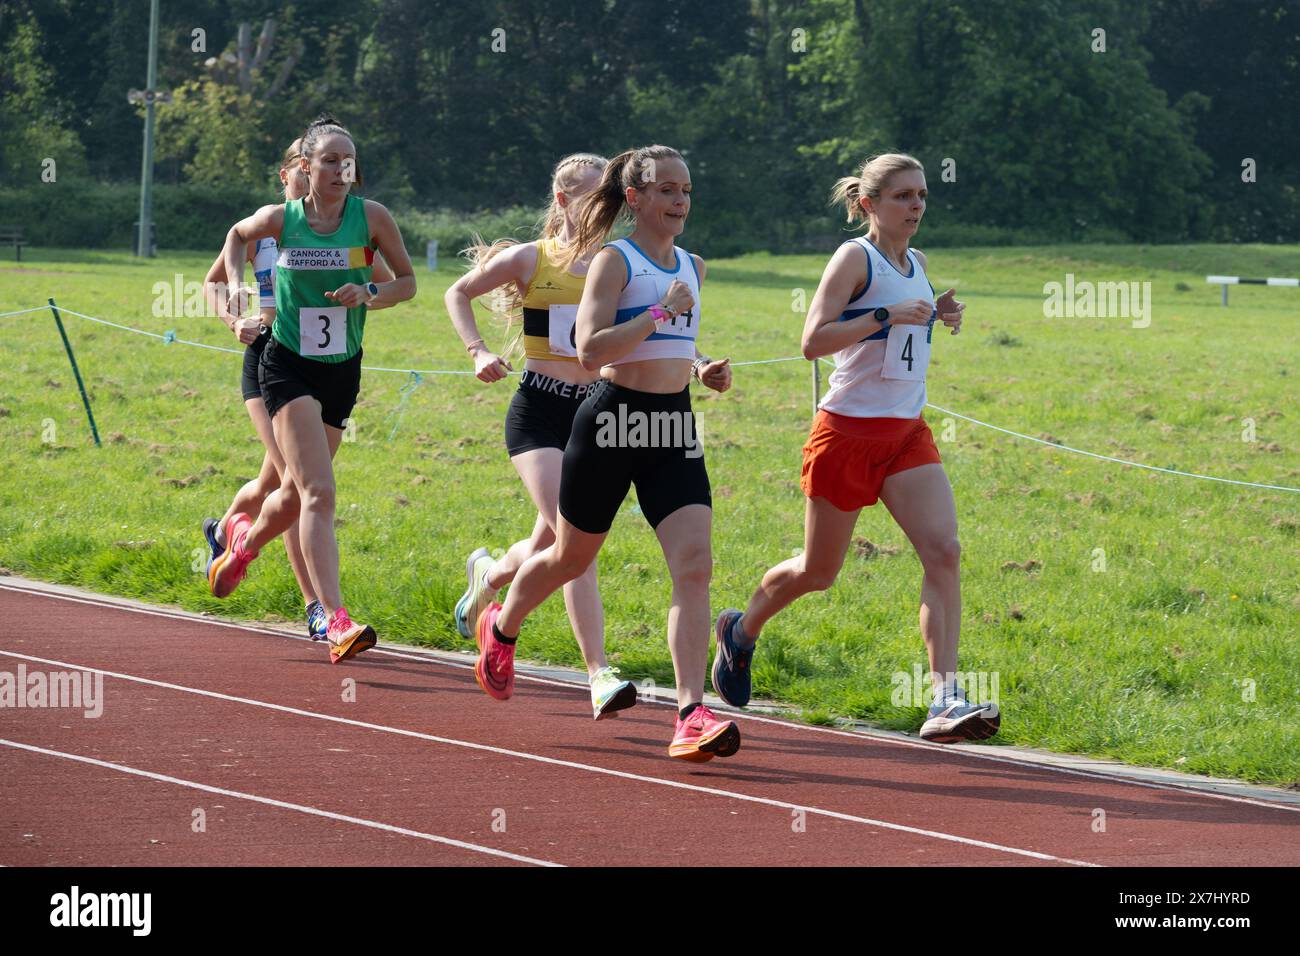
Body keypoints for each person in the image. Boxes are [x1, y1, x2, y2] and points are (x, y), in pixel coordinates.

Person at [710, 153, 996, 743]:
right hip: (846, 433)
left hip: (906, 434)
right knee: (819, 571)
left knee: (944, 551)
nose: (916, 206)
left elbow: (901, 336)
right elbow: (813, 341)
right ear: (869, 204)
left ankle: (944, 695)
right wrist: (885, 314)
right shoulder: (853, 257)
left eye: (921, 195)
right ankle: (740, 632)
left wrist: (938, 313)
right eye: (902, 197)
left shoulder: (916, 261)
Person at [473, 145, 741, 762]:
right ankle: (503, 625)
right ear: (636, 198)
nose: (681, 202)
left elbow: (674, 343)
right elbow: (591, 349)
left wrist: (703, 371)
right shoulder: (614, 262)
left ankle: (690, 712)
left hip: (672, 425)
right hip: (612, 420)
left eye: (687, 191)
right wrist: (657, 310)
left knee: (694, 565)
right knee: (569, 556)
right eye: (668, 191)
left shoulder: (695, 266)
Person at [207, 115, 416, 665]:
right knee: (319, 492)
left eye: (349, 162)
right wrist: (235, 294)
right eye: (329, 160)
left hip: (342, 369)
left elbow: (408, 283)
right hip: (285, 365)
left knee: (295, 494)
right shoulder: (282, 219)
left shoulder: (372, 218)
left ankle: (242, 547)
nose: (341, 170)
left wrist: (371, 290)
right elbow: (235, 236)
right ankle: (335, 618)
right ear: (306, 166)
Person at [445, 153, 639, 720]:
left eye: (610, 193)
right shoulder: (530, 258)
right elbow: (457, 292)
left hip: (595, 414)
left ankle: (490, 574)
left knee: (549, 547)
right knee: (578, 546)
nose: (603, 203)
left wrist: (698, 364)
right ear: (561, 201)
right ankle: (600, 674)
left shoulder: (619, 264)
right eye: (589, 193)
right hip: (539, 414)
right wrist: (478, 350)